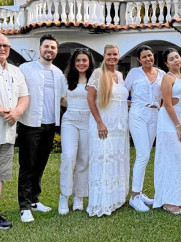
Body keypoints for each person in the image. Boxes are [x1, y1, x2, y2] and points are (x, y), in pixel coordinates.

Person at [18, 34, 67, 223]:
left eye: (53, 48)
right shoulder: (25, 69)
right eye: (47, 47)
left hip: (50, 124)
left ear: (56, 51)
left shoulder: (58, 73)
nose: (50, 50)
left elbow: (63, 99)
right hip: (29, 124)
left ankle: (34, 200)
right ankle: (24, 206)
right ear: (40, 48)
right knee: (27, 165)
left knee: (40, 164)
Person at [86, 44, 130, 217]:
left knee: (116, 160)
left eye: (115, 54)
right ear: (104, 56)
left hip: (120, 126)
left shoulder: (119, 75)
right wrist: (99, 122)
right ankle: (101, 202)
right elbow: (90, 99)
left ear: (119, 56)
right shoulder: (98, 73)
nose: (112, 57)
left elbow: (118, 99)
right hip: (103, 125)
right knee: (103, 161)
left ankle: (115, 199)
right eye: (109, 54)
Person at [153, 48, 181, 214]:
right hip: (169, 121)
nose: (176, 60)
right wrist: (178, 126)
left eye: (177, 57)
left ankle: (178, 196)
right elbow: (167, 104)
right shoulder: (167, 78)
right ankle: (168, 200)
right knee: (171, 158)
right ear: (166, 63)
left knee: (180, 159)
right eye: (171, 59)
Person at [124, 45, 165, 212]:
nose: (148, 59)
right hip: (138, 114)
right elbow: (122, 93)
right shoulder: (134, 73)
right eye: (144, 57)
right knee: (143, 154)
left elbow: (165, 95)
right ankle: (134, 197)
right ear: (139, 60)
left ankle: (139, 192)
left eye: (150, 55)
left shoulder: (161, 74)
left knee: (145, 155)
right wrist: (130, 104)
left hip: (155, 115)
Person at [58, 48, 95, 215]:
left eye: (84, 60)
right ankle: (64, 195)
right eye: (78, 60)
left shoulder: (95, 79)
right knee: (68, 156)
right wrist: (73, 106)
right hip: (70, 121)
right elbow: (60, 99)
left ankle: (79, 196)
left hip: (89, 122)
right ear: (73, 62)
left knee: (84, 159)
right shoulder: (66, 79)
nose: (81, 63)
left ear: (89, 62)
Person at [0, 34, 29, 230]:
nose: (2, 48)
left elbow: (24, 96)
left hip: (7, 133)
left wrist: (17, 112)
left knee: (0, 175)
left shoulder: (15, 71)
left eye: (6, 45)